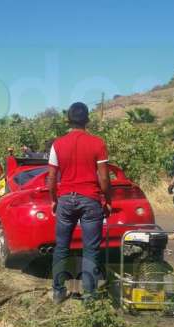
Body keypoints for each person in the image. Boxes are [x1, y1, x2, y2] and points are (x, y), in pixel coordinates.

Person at [48, 102, 111, 304]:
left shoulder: (57, 144)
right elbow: (104, 178)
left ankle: (58, 291)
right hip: (91, 199)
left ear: (68, 120)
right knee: (90, 248)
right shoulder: (98, 143)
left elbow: (51, 178)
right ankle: (89, 295)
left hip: (65, 199)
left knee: (61, 247)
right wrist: (107, 200)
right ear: (87, 120)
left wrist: (54, 200)